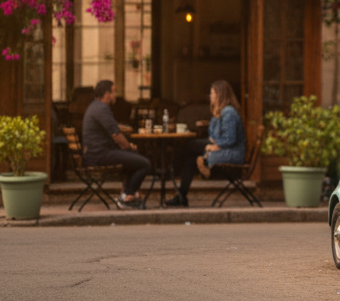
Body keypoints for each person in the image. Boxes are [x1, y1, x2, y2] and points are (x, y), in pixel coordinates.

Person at [166, 80, 245, 207]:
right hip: (222, 148)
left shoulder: (228, 112)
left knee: (190, 146)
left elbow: (230, 139)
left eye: (212, 93)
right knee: (191, 157)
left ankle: (171, 170)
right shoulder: (219, 112)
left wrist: (212, 145)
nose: (210, 96)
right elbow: (214, 136)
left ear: (220, 95)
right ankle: (181, 195)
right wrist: (212, 141)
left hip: (231, 153)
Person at [82, 79, 151, 209]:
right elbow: (116, 135)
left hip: (94, 153)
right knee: (145, 164)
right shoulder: (102, 109)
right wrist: (128, 146)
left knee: (132, 156)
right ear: (107, 93)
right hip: (99, 155)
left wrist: (128, 147)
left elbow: (113, 129)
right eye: (113, 92)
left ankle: (127, 193)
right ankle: (127, 196)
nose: (115, 96)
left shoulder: (95, 106)